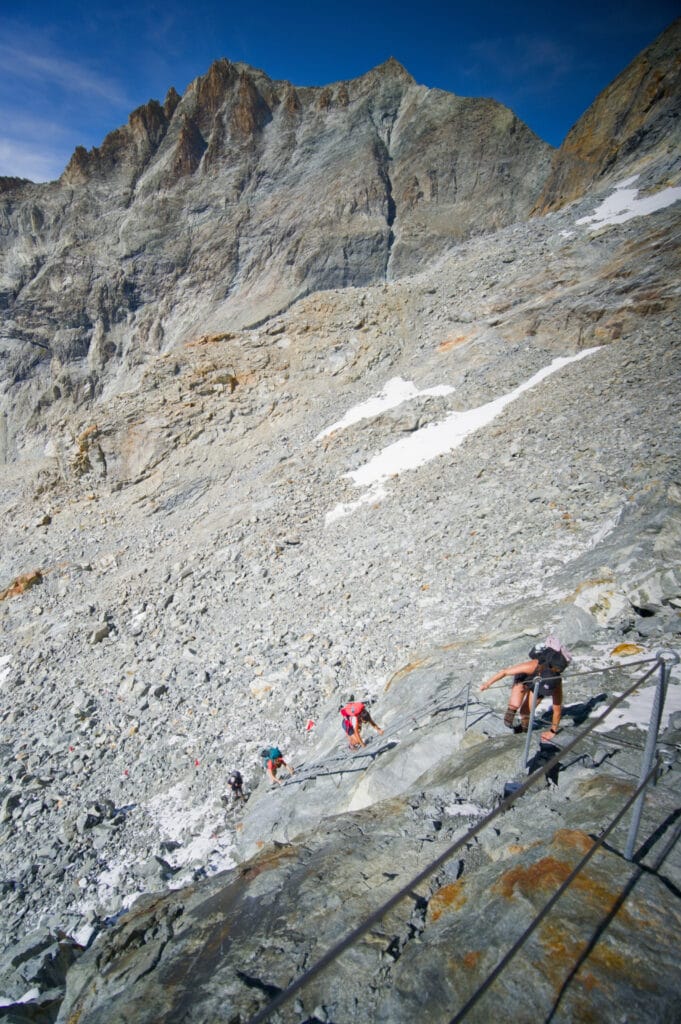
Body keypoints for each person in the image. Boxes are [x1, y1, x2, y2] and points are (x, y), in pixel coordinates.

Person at [480, 637, 572, 743]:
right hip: (524, 678)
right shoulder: (532, 666)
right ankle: (508, 722)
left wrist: (552, 731)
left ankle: (523, 730)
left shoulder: (555, 683)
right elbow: (505, 672)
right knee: (514, 705)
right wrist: (487, 684)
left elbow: (557, 710)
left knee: (525, 712)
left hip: (537, 685)